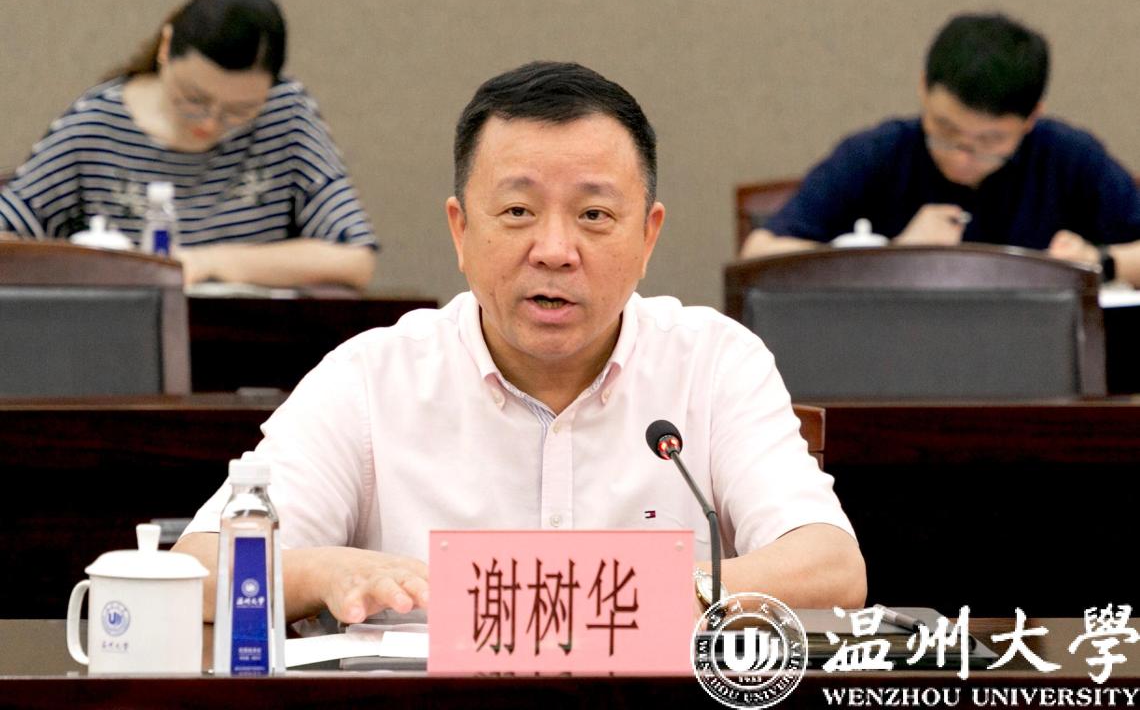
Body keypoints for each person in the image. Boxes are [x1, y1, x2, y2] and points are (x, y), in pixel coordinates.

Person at [174, 61, 865, 624]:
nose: (555, 249)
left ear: (648, 236)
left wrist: (659, 592)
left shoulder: (714, 364)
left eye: (594, 214)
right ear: (460, 231)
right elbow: (197, 570)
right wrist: (327, 570)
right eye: (517, 211)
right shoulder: (370, 378)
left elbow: (831, 567)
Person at [0, 0, 377, 290]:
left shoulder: (286, 115)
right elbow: (8, 235)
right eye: (193, 99)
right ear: (166, 49)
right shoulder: (98, 123)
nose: (210, 124)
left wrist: (208, 262)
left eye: (240, 111)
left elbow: (354, 257)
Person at [741, 12, 1140, 287]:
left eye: (990, 142)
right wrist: (893, 257)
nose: (962, 156)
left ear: (1031, 118)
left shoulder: (1068, 157)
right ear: (923, 88)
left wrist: (1098, 264)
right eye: (946, 130)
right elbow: (758, 253)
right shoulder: (878, 153)